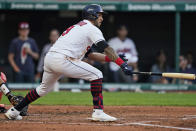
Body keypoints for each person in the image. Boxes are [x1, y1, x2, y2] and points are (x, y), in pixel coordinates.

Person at [4, 4, 133, 121]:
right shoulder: (91, 28)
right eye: (99, 15)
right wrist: (121, 63)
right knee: (97, 74)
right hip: (63, 59)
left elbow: (92, 55)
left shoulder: (78, 27)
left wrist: (112, 58)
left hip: (50, 59)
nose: (102, 18)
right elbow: (107, 48)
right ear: (92, 15)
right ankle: (98, 112)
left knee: (43, 89)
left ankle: (14, 111)